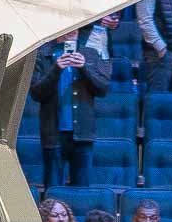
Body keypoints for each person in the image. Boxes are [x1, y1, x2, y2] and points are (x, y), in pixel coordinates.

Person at [32, 28, 112, 187]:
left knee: (82, 193)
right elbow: (36, 93)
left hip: (83, 135)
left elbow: (102, 88)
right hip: (53, 135)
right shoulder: (42, 54)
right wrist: (56, 69)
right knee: (53, 193)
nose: (71, 30)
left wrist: (83, 68)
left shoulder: (89, 53)